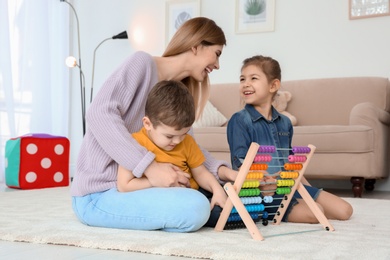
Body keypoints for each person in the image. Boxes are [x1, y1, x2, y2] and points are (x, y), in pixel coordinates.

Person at [70, 17, 237, 233]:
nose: (217, 64)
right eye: (217, 53)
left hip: (142, 190)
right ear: (196, 46)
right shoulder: (142, 64)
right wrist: (150, 167)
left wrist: (224, 172)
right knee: (195, 207)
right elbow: (99, 113)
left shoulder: (178, 93)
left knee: (223, 193)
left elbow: (187, 148)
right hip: (101, 192)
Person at [227, 55, 353, 223]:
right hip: (264, 192)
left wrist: (307, 188)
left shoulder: (285, 123)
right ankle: (282, 209)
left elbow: (289, 161)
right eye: (242, 79)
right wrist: (266, 180)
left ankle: (297, 201)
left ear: (273, 85)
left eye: (253, 78)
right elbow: (240, 161)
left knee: (345, 210)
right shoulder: (240, 120)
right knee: (316, 212)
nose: (245, 84)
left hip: (288, 184)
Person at [117, 80, 227, 227]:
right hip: (166, 199)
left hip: (195, 191)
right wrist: (153, 181)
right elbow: (124, 185)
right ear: (147, 124)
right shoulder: (135, 144)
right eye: (169, 136)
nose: (177, 141)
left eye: (184, 133)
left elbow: (200, 173)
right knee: (212, 213)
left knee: (233, 195)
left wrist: (217, 190)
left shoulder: (186, 141)